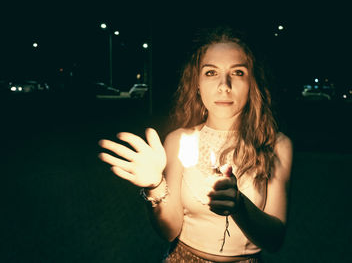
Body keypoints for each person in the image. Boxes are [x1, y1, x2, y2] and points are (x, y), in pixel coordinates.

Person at [98, 26, 293, 262]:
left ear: (253, 82)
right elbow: (169, 231)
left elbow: (274, 240)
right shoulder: (178, 140)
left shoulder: (275, 145)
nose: (224, 85)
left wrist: (239, 205)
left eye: (238, 72)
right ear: (197, 83)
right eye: (211, 73)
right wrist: (155, 185)